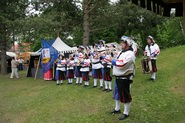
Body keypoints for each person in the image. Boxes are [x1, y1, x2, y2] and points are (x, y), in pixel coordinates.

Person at [108, 36, 135, 120]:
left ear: (127, 44)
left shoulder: (130, 53)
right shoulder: (121, 52)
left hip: (125, 78)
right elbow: (116, 61)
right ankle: (117, 109)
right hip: (118, 77)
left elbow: (121, 64)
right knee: (117, 94)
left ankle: (126, 113)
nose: (120, 44)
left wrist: (111, 60)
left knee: (125, 95)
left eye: (122, 42)